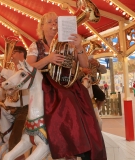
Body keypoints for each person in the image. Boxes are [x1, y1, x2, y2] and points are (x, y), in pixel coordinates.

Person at [26, 12, 106, 160]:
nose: (54, 25)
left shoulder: (67, 43)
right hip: (48, 83)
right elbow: (29, 67)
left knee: (84, 101)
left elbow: (84, 65)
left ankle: (83, 147)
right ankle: (70, 147)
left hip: (68, 82)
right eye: (50, 22)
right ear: (42, 26)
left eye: (57, 22)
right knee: (67, 98)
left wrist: (79, 46)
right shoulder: (35, 45)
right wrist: (49, 59)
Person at [0, 46, 29, 160]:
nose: (11, 55)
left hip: (22, 110)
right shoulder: (10, 72)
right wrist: (0, 86)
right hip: (7, 110)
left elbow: (22, 77)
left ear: (22, 53)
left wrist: (2, 70)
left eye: (14, 52)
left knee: (14, 143)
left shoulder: (27, 68)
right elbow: (1, 96)